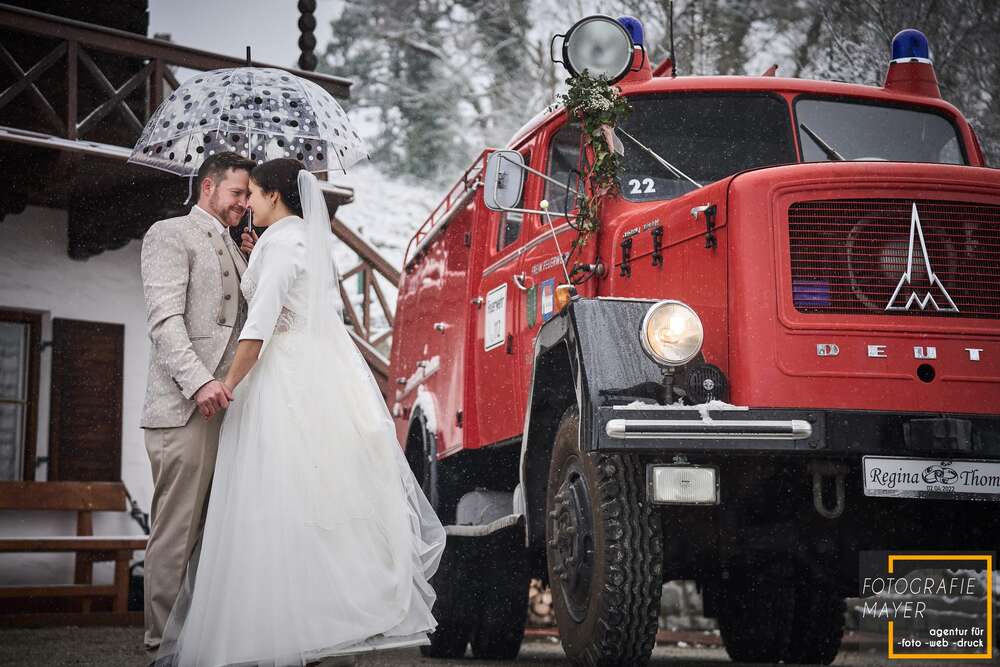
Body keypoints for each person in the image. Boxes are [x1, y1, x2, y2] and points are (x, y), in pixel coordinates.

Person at [157, 158, 445, 666]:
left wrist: (226, 385)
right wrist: (257, 258)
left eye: (253, 194)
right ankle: (307, 619)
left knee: (275, 499)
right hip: (303, 371)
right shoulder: (289, 241)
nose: (248, 204)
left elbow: (259, 327)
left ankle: (285, 625)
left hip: (281, 377)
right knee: (302, 499)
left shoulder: (283, 243)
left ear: (273, 196)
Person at [139, 152, 257, 653]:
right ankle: (162, 648)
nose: (244, 202)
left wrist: (253, 257)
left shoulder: (238, 244)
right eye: (237, 192)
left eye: (248, 195)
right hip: (184, 409)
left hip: (229, 411)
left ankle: (198, 645)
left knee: (214, 537)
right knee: (177, 533)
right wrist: (199, 382)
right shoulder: (169, 234)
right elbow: (165, 322)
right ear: (208, 186)